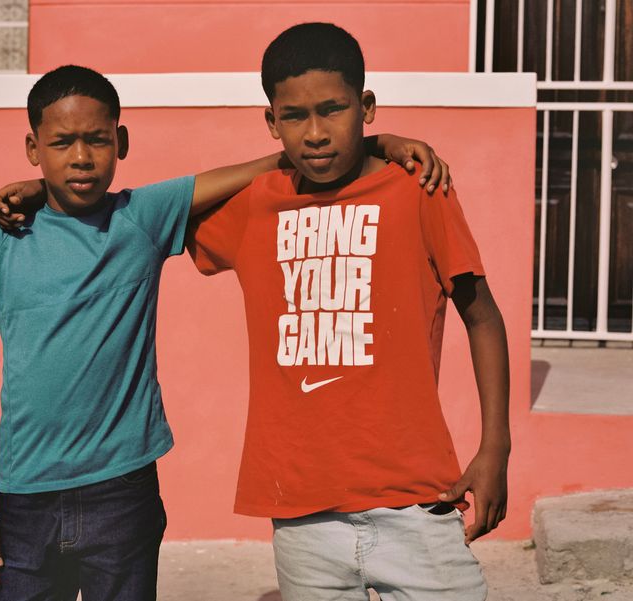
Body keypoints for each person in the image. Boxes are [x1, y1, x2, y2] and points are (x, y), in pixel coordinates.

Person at [0, 64, 451, 601]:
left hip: (122, 491)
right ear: (33, 149)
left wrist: (380, 142)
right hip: (24, 497)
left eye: (97, 140)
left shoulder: (141, 217)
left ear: (121, 143)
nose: (81, 157)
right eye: (61, 143)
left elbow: (277, 160)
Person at [187, 23, 510, 601]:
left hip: (417, 503)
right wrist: (47, 193)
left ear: (366, 106)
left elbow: (482, 318)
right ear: (271, 122)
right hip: (303, 517)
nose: (315, 134)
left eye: (333, 111)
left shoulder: (419, 190)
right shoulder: (257, 206)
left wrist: (495, 449)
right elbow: (145, 214)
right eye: (294, 117)